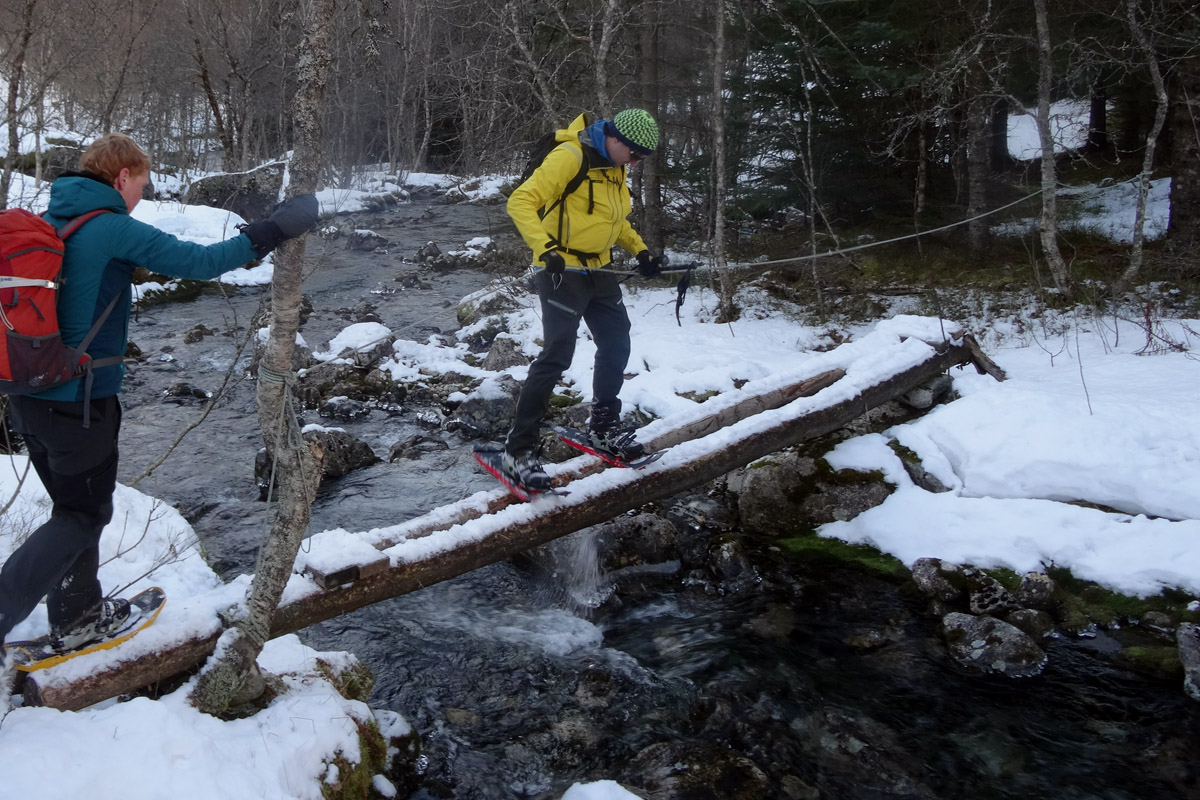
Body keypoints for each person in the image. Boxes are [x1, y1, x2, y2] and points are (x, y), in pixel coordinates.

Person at [0, 133, 317, 664]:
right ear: (122, 175)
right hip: (80, 403)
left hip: (27, 395)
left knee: (76, 509)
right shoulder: (109, 227)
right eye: (142, 181)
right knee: (82, 515)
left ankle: (78, 619)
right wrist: (274, 229)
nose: (143, 192)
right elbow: (199, 260)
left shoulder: (53, 220)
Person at [501, 108, 666, 492]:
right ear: (615, 139)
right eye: (636, 154)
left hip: (600, 270)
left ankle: (602, 426)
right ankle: (518, 451)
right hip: (561, 272)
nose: (637, 161)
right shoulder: (570, 157)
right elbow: (520, 201)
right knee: (557, 353)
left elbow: (615, 220)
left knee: (616, 340)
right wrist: (546, 249)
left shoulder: (615, 167)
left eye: (642, 157)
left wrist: (641, 252)